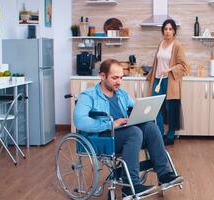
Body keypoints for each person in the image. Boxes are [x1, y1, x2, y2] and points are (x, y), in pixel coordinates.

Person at [74, 59, 183, 198]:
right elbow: (80, 121)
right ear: (102, 76)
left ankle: (164, 175)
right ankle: (131, 187)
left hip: (125, 135)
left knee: (150, 127)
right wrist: (110, 124)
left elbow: (136, 107)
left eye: (121, 77)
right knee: (134, 132)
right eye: (114, 78)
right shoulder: (88, 96)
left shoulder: (121, 94)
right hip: (103, 138)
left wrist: (143, 112)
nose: (119, 82)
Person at [147, 19, 188, 145]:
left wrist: (170, 69)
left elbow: (183, 65)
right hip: (157, 80)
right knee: (155, 108)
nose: (168, 31)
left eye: (170, 29)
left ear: (174, 31)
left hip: (169, 81)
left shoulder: (177, 46)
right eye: (165, 29)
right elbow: (157, 62)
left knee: (171, 109)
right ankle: (159, 134)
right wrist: (151, 75)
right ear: (163, 31)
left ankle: (170, 136)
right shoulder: (161, 43)